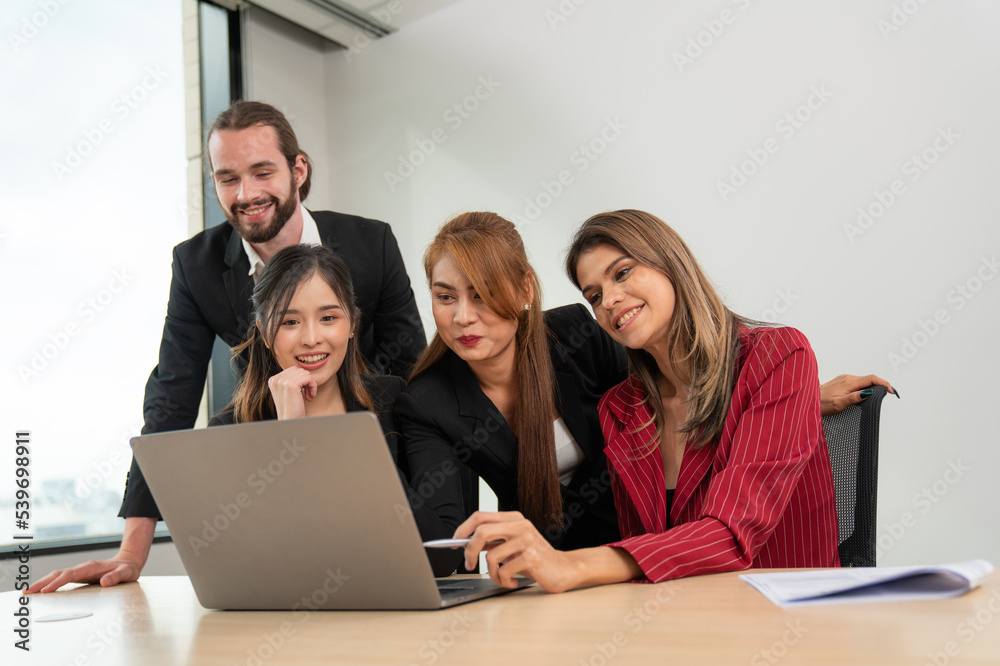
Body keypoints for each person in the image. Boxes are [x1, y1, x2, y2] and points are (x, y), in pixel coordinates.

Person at [398, 212, 888, 560]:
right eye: (445, 297)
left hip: (671, 555)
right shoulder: (431, 400)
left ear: (525, 290)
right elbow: (440, 538)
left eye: (482, 294)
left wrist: (793, 398)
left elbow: (691, 388)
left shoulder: (576, 336)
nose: (463, 316)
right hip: (588, 564)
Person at [110, 101, 426, 586]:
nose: (246, 194)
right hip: (266, 455)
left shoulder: (371, 244)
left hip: (379, 450)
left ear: (298, 169)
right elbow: (171, 399)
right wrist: (131, 554)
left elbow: (413, 375)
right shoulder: (196, 266)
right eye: (227, 178)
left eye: (262, 172)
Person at [29, 245, 414, 592]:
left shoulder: (394, 403)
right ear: (264, 332)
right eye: (290, 322)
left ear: (351, 324)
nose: (312, 338)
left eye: (329, 317)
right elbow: (256, 569)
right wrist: (291, 437)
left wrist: (344, 446)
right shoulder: (229, 431)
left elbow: (434, 544)